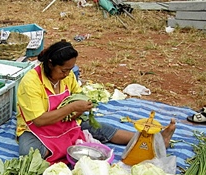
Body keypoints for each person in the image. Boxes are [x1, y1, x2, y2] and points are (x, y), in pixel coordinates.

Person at [16, 40, 176, 165]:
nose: (67, 74)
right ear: (50, 64)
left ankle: (155, 140)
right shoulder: (31, 82)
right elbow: (39, 120)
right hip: (36, 130)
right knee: (30, 155)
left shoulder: (68, 76)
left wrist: (79, 110)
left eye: (70, 70)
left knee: (102, 129)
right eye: (64, 70)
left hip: (66, 123)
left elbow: (78, 97)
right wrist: (72, 107)